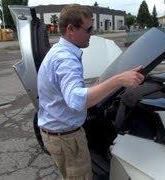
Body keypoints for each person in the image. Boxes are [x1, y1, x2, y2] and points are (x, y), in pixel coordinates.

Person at [37, 4, 144, 180]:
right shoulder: (66, 59)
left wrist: (96, 86)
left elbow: (69, 92)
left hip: (57, 134)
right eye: (88, 29)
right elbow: (77, 101)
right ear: (71, 29)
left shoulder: (58, 51)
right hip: (67, 139)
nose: (92, 34)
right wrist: (118, 80)